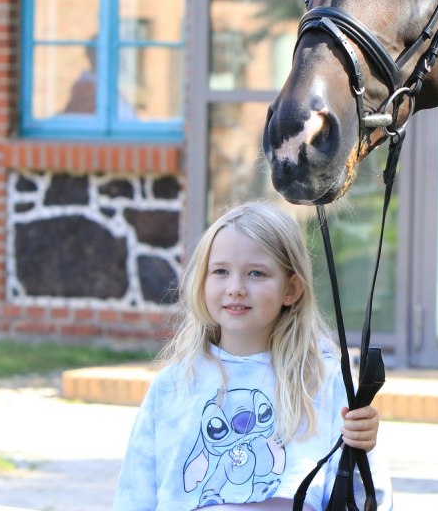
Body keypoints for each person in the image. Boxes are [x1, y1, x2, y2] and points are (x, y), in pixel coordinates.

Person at [114, 202, 392, 511]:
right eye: (220, 271)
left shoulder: (320, 381)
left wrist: (364, 446)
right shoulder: (174, 384)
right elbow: (135, 494)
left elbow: (366, 499)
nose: (235, 288)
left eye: (256, 273)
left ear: (292, 289)